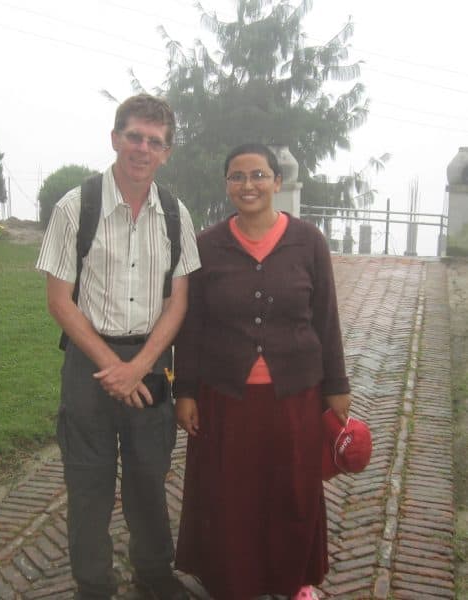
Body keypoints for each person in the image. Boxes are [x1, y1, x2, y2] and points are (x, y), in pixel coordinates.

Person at [36, 94, 200, 600]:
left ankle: (152, 575)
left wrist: (141, 365)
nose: (142, 148)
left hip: (151, 365)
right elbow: (60, 300)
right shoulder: (76, 206)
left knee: (150, 477)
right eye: (134, 136)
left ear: (167, 152)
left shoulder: (175, 214)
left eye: (154, 141)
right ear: (114, 138)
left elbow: (178, 302)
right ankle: (94, 584)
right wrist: (114, 366)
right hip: (89, 363)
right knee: (89, 483)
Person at [173, 143, 351, 600]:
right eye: (237, 176)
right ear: (226, 185)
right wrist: (186, 391)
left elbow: (325, 316)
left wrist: (337, 385)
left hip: (295, 393)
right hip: (224, 394)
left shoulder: (308, 241)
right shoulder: (207, 244)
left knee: (291, 491)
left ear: (277, 181)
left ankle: (293, 581)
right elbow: (192, 323)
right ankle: (234, 581)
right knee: (230, 494)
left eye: (258, 175)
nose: (247, 185)